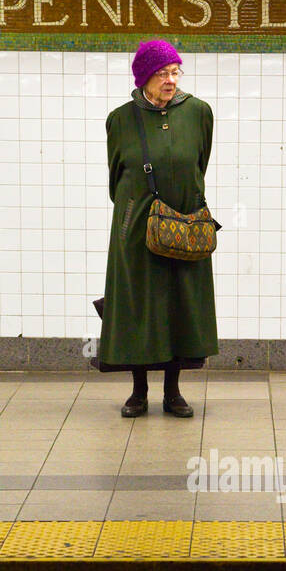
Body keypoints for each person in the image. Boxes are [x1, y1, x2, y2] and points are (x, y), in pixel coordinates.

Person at [96, 39, 219, 417]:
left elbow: (200, 162)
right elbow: (117, 175)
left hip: (184, 222)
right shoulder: (120, 119)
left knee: (180, 305)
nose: (171, 79)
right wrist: (136, 212)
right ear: (144, 77)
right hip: (135, 226)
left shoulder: (199, 112)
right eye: (162, 73)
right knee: (138, 305)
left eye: (175, 72)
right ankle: (137, 392)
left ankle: (173, 392)